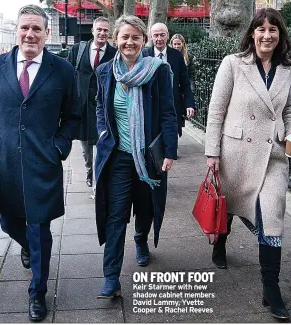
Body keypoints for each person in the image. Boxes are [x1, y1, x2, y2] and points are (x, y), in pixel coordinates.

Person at [0, 5, 80, 322]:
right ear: (17, 32)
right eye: (24, 28)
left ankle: (38, 292)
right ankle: (30, 249)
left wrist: (59, 147)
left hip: (42, 165)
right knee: (8, 223)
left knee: (38, 229)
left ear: (47, 34)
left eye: (36, 29)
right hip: (3, 164)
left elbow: (73, 116)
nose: (30, 34)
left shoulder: (62, 71)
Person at [205, 8, 291, 320]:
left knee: (271, 216)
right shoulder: (233, 64)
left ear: (280, 35)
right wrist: (212, 154)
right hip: (235, 152)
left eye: (273, 30)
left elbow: (290, 106)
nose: (267, 35)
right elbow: (216, 110)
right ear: (251, 33)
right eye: (261, 29)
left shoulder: (288, 67)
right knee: (231, 208)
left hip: (272, 155)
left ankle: (270, 288)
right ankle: (220, 242)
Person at [94, 15, 177, 299]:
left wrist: (169, 151)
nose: (129, 42)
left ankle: (141, 240)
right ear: (116, 39)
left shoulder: (158, 70)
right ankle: (111, 276)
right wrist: (104, 132)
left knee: (145, 209)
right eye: (124, 37)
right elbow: (99, 107)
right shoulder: (105, 72)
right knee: (116, 215)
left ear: (144, 40)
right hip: (118, 157)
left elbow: (168, 112)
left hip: (148, 157)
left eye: (135, 37)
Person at [68, 17, 116, 188]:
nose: (102, 33)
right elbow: (68, 76)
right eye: (99, 30)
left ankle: (100, 173)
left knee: (103, 142)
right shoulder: (78, 50)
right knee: (86, 148)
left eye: (105, 30)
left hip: (103, 107)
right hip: (82, 108)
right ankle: (90, 169)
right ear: (93, 31)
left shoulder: (114, 54)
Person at [143, 23, 195, 136]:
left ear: (167, 35)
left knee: (171, 143)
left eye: (162, 35)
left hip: (172, 106)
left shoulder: (177, 55)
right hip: (151, 107)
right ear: (151, 37)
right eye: (156, 35)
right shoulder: (144, 55)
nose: (159, 38)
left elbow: (185, 83)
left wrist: (189, 104)